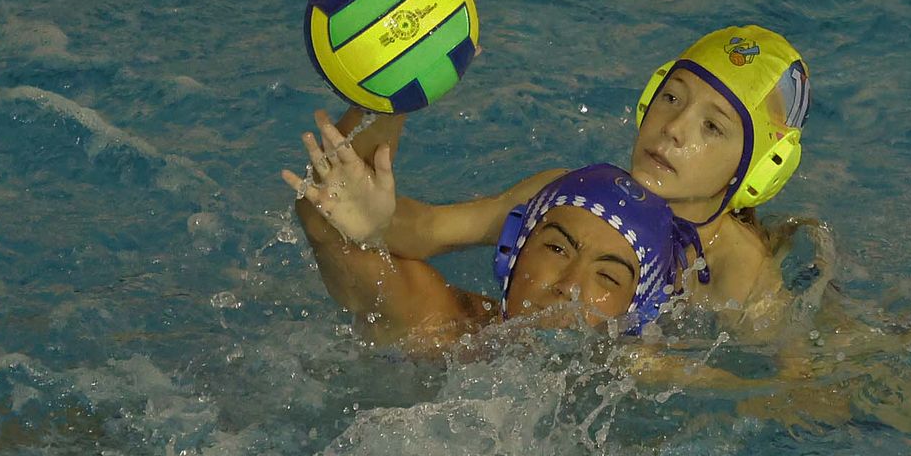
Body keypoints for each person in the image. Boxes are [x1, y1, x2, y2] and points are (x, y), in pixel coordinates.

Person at [304, 23, 813, 339]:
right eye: (673, 97)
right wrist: (402, 80)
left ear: (759, 169)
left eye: (712, 127)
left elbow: (795, 384)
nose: (674, 129)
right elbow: (428, 231)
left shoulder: (743, 277)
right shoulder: (571, 199)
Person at [282, 121, 698, 354]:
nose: (569, 285)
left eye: (608, 278)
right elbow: (323, 221)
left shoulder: (657, 380)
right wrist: (391, 95)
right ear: (512, 252)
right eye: (556, 248)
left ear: (638, 312)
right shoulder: (444, 326)